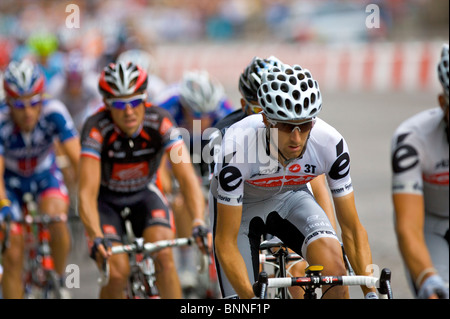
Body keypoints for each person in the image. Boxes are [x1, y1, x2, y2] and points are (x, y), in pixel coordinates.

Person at [211, 63, 377, 299]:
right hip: (242, 209)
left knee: (335, 274)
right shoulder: (235, 149)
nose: (296, 138)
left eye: (305, 124)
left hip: (291, 198)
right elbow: (225, 243)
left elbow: (351, 229)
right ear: (267, 120)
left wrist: (370, 291)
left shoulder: (331, 143)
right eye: (287, 126)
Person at [78, 61, 211, 299]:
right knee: (116, 272)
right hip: (106, 203)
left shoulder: (161, 121)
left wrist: (199, 220)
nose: (128, 111)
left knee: (163, 256)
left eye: (135, 101)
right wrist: (95, 235)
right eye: (120, 104)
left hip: (144, 195)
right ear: (107, 105)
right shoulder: (96, 128)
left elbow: (187, 176)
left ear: (145, 99)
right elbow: (86, 193)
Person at [0, 59, 80, 298]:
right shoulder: (2, 121)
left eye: (34, 103)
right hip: (11, 182)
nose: (27, 112)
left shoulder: (54, 112)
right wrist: (3, 205)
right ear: (7, 102)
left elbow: (79, 159)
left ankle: (57, 276)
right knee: (12, 250)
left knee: (57, 218)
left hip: (45, 175)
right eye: (19, 104)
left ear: (42, 98)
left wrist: (89, 198)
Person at [154, 70, 234, 294]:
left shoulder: (222, 108)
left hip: (208, 152)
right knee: (181, 200)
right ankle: (186, 262)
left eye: (207, 114)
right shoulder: (166, 106)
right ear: (183, 106)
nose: (203, 119)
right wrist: (166, 178)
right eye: (196, 113)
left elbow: (234, 149)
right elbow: (157, 152)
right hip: (175, 152)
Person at [391, 44, 449, 299]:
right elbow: (408, 227)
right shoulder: (412, 139)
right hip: (429, 226)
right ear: (442, 103)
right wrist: (427, 277)